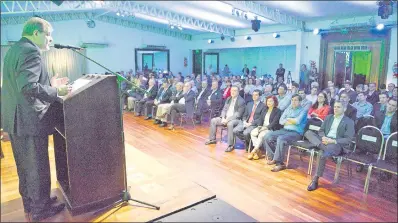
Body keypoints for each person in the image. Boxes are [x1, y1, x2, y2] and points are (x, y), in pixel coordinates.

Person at [1, 17, 68, 221]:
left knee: (25, 165)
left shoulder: (14, 49)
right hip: (29, 120)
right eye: (48, 34)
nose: (50, 39)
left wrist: (49, 84)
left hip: (16, 120)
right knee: (37, 165)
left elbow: (19, 84)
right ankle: (40, 210)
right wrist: (56, 90)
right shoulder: (31, 51)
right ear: (36, 33)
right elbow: (28, 87)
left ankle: (32, 202)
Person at [305, 100, 355, 191]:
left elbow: (348, 139)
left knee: (321, 153)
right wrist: (324, 138)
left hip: (336, 144)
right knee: (308, 133)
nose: (335, 109)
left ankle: (315, 179)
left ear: (344, 109)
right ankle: (327, 150)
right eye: (335, 107)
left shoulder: (349, 122)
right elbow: (321, 131)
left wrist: (333, 141)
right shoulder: (329, 117)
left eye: (338, 107)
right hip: (325, 141)